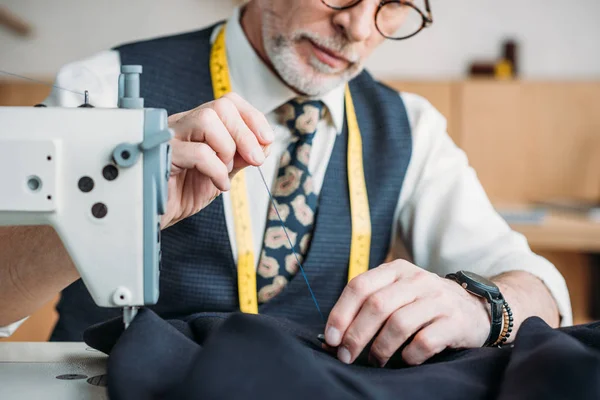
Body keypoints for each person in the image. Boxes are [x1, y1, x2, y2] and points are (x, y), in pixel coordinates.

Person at [0, 0, 571, 368]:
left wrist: (482, 306)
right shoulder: (99, 85)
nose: (357, 24)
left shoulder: (410, 128)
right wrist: (110, 205)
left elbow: (541, 287)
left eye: (392, 3)